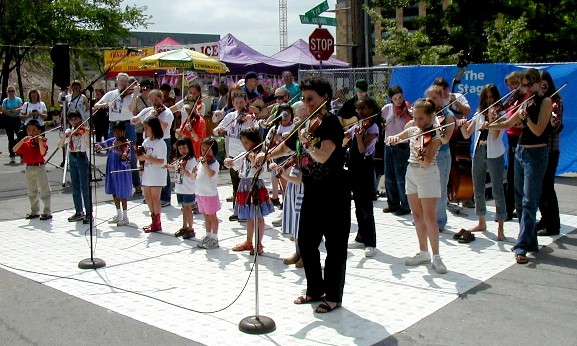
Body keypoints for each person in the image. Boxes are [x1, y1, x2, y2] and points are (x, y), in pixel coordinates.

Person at [262, 76, 351, 313]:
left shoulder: (331, 123)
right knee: (307, 243)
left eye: (311, 99)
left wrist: (308, 144)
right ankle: (314, 290)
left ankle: (333, 296)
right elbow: (287, 146)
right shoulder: (306, 123)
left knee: (335, 247)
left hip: (334, 193)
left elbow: (323, 155)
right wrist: (266, 156)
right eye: (304, 98)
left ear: (324, 98)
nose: (307, 103)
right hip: (312, 190)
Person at [488, 68, 552, 265]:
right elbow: (508, 123)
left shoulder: (546, 102)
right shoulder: (525, 101)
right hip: (520, 153)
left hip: (537, 153)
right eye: (522, 85)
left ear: (535, 83)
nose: (523, 88)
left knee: (529, 201)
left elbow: (539, 129)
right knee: (518, 201)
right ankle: (530, 241)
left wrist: (526, 119)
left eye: (526, 85)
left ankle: (521, 246)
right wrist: (489, 124)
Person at [387, 98, 447, 274]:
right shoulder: (413, 129)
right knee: (417, 215)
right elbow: (399, 137)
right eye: (415, 117)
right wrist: (393, 138)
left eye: (421, 118)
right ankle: (423, 252)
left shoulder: (435, 136)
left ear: (430, 117)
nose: (417, 122)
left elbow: (427, 161)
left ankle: (436, 256)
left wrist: (423, 153)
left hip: (427, 174)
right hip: (411, 171)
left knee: (430, 217)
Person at [455, 84, 507, 243]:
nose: (489, 100)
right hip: (478, 151)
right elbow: (466, 134)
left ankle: (501, 227)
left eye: (492, 97)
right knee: (478, 187)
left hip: (494, 153)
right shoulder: (479, 114)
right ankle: (481, 222)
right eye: (486, 97)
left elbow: (497, 135)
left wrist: (492, 120)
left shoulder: (502, 114)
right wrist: (463, 124)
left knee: (497, 189)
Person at [227, 128, 275, 255]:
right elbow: (238, 167)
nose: (244, 145)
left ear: (254, 141)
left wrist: (254, 160)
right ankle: (248, 241)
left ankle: (259, 243)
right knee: (249, 216)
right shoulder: (244, 154)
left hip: (255, 186)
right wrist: (230, 163)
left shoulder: (260, 154)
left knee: (258, 216)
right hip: (244, 186)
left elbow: (260, 170)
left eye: (246, 142)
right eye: (242, 142)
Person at [212, 90, 258, 221]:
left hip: (246, 154)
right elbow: (217, 129)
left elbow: (255, 133)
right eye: (236, 102)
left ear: (246, 102)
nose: (239, 104)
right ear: (233, 103)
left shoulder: (250, 115)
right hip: (232, 154)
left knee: (246, 183)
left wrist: (249, 121)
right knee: (235, 183)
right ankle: (237, 210)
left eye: (241, 102)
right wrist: (217, 130)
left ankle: (246, 210)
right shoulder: (230, 116)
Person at [94, 73, 141, 196]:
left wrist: (135, 95)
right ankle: (115, 183)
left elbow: (131, 109)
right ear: (117, 82)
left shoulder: (130, 95)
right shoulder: (112, 94)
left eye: (126, 81)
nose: (124, 84)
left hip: (127, 124)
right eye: (122, 81)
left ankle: (136, 183)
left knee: (130, 153)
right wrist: (102, 105)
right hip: (113, 124)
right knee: (114, 153)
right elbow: (96, 105)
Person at [346, 97, 380, 257]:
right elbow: (345, 137)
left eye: (363, 109)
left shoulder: (373, 128)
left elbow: (361, 149)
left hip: (364, 168)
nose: (360, 112)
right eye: (358, 109)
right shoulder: (358, 125)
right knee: (358, 205)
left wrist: (359, 137)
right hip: (353, 168)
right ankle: (360, 237)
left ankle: (370, 242)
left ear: (371, 110)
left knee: (366, 206)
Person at [131, 89, 174, 207]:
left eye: (157, 99)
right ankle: (151, 195)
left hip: (162, 140)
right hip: (148, 141)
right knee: (148, 166)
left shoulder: (167, 112)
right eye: (152, 100)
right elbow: (136, 120)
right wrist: (135, 119)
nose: (154, 102)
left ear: (161, 99)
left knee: (162, 167)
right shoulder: (148, 111)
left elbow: (164, 126)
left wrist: (156, 117)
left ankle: (165, 197)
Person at [425, 85, 455, 233]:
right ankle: (428, 219)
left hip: (441, 155)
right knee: (426, 189)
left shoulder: (447, 115)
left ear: (441, 98)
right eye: (429, 98)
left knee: (441, 189)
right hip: (427, 154)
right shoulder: (426, 114)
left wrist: (437, 127)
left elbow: (445, 139)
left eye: (434, 98)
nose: (431, 101)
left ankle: (440, 221)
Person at [536, 70, 563, 236]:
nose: (543, 87)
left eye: (545, 84)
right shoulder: (536, 101)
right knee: (539, 187)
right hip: (538, 150)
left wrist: (553, 123)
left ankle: (554, 224)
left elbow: (557, 128)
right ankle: (545, 218)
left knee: (547, 187)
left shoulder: (556, 101)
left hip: (550, 149)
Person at [95, 121, 133, 227]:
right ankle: (118, 214)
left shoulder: (126, 143)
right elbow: (103, 144)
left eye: (119, 132)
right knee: (114, 192)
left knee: (122, 193)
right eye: (115, 132)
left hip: (121, 171)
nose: (117, 134)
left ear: (124, 131)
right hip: (112, 169)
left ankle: (125, 217)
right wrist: (99, 146)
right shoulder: (112, 141)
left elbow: (126, 159)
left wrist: (123, 156)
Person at [381, 85, 412, 215]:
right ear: (391, 99)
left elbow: (412, 124)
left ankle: (405, 205)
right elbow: (380, 121)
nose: (399, 101)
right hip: (388, 145)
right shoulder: (387, 109)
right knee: (389, 176)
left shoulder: (408, 109)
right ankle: (392, 203)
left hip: (402, 146)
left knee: (401, 177)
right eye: (395, 98)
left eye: (400, 97)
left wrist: (406, 115)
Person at [13, 120, 52, 221]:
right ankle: (34, 211)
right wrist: (22, 140)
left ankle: (47, 211)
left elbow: (43, 153)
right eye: (29, 130)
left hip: (40, 167)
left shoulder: (42, 141)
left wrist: (40, 141)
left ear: (39, 131)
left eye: (34, 130)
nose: (31, 133)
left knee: (44, 190)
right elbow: (14, 149)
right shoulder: (26, 143)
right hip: (29, 167)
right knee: (31, 190)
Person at [270, 155, 304, 268]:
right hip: (293, 195)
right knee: (295, 225)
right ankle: (297, 253)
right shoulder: (295, 163)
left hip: (301, 193)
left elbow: (298, 180)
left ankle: (305, 255)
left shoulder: (305, 163)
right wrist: (280, 169)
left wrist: (283, 175)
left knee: (301, 226)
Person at [138, 117, 168, 233]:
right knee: (147, 196)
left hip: (157, 174)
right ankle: (153, 218)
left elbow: (161, 161)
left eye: (147, 128)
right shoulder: (146, 141)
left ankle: (157, 222)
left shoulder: (161, 143)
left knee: (155, 198)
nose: (145, 130)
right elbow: (141, 155)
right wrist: (140, 163)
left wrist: (146, 158)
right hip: (147, 172)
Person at [61, 111, 91, 224]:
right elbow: (60, 145)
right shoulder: (69, 131)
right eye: (71, 119)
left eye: (75, 119)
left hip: (81, 157)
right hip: (72, 157)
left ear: (80, 118)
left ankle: (89, 213)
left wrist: (87, 133)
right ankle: (79, 211)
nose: (73, 121)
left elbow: (88, 145)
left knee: (84, 187)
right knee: (75, 186)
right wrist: (65, 136)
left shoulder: (83, 131)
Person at [165, 137, 197, 239]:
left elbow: (190, 175)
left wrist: (183, 169)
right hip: (180, 188)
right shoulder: (180, 160)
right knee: (184, 208)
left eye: (184, 148)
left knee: (188, 209)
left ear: (189, 148)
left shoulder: (192, 160)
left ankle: (191, 228)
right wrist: (166, 166)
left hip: (188, 189)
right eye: (180, 148)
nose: (182, 150)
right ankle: (184, 227)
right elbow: (174, 167)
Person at [503, 71, 524, 221]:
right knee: (511, 175)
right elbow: (505, 110)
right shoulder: (514, 99)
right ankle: (509, 209)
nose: (511, 89)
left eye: (514, 85)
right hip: (511, 137)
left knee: (519, 176)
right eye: (510, 87)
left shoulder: (525, 98)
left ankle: (519, 207)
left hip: (520, 138)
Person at [265, 104, 295, 207]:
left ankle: (286, 201)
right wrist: (273, 140)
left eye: (288, 114)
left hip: (289, 157)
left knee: (285, 179)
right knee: (275, 177)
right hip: (275, 157)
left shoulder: (294, 128)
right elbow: (266, 143)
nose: (285, 117)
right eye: (283, 114)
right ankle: (275, 197)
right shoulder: (275, 129)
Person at [195, 138, 221, 250]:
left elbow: (210, 174)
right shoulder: (201, 163)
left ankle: (214, 238)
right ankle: (208, 235)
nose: (203, 151)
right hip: (200, 193)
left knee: (212, 216)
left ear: (212, 150)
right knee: (205, 215)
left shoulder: (215, 163)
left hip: (210, 194)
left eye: (206, 149)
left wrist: (205, 164)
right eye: (202, 149)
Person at [1, 85, 23, 164]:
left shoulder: (18, 99)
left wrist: (13, 111)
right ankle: (12, 156)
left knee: (20, 137)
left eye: (12, 91)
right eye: (9, 91)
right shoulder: (5, 100)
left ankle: (21, 155)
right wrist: (11, 111)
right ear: (7, 92)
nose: (11, 93)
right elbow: (3, 110)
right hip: (8, 120)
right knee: (10, 138)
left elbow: (20, 108)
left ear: (15, 92)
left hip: (16, 119)